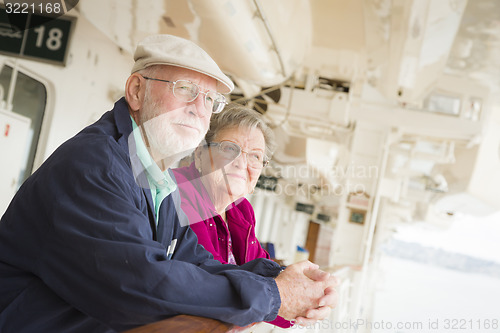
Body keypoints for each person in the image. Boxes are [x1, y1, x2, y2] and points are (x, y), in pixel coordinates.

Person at [0, 34, 338, 333]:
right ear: (136, 90)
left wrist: (286, 280)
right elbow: (140, 288)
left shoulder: (154, 177)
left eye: (209, 100)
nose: (198, 109)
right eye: (186, 90)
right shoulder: (94, 167)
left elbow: (196, 261)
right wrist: (275, 295)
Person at [173, 104, 293, 328]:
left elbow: (262, 272)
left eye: (255, 156)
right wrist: (283, 297)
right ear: (199, 154)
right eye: (230, 149)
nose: (242, 162)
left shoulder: (241, 210)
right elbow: (211, 286)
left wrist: (307, 294)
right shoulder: (179, 192)